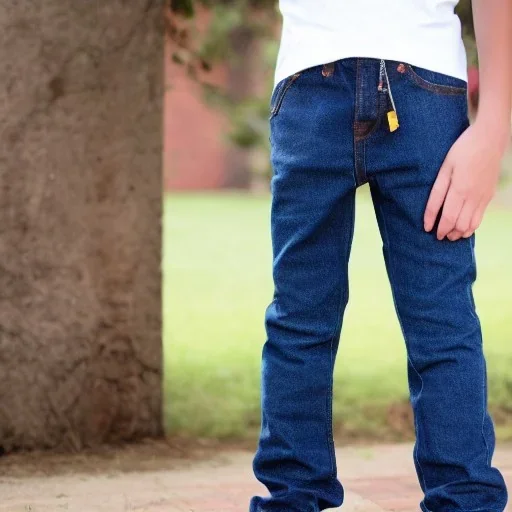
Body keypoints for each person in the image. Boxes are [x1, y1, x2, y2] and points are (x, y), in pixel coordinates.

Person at [249, 1, 512, 511]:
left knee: (421, 321)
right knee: (309, 317)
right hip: (362, 81)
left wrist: (495, 127)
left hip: (390, 84)